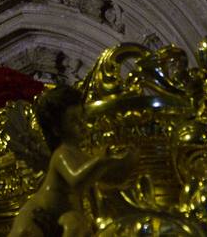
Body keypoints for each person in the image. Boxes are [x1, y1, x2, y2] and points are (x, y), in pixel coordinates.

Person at [10, 85, 135, 237]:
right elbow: (76, 179)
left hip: (59, 221)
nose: (82, 124)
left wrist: (124, 159)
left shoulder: (81, 156)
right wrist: (101, 161)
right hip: (36, 218)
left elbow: (110, 177)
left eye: (82, 117)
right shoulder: (61, 154)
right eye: (73, 121)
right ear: (56, 129)